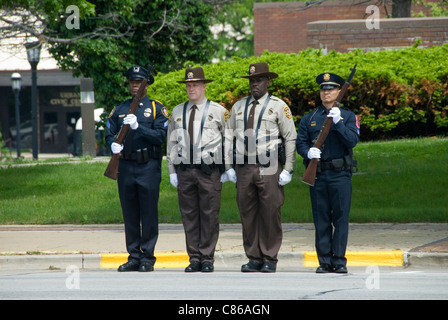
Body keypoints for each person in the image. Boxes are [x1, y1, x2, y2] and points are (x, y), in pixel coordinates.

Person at [224, 62, 297, 273]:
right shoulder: (238, 107)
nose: (254, 84)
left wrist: (288, 168)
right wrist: (228, 166)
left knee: (270, 211)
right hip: (244, 166)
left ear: (268, 82)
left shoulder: (278, 106)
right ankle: (253, 257)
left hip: (270, 164)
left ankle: (269, 257)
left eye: (258, 80)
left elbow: (290, 137)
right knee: (247, 212)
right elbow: (227, 138)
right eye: (251, 81)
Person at [105, 65, 169, 272]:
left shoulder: (157, 108)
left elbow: (161, 136)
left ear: (146, 85)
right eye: (132, 82)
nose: (135, 86)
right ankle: (133, 255)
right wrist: (111, 144)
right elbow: (108, 132)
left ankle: (147, 257)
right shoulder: (121, 108)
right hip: (125, 165)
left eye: (139, 82)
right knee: (130, 213)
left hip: (148, 166)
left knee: (148, 212)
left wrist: (138, 127)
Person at [166, 67, 229, 273]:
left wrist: (228, 168)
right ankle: (194, 257)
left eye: (194, 85)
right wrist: (172, 170)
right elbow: (171, 142)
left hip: (208, 171)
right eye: (188, 85)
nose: (191, 88)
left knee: (209, 214)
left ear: (204, 86)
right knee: (189, 214)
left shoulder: (218, 111)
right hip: (185, 171)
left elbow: (229, 142)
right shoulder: (177, 111)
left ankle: (207, 258)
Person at [296, 72, 360, 273]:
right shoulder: (310, 118)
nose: (326, 93)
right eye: (323, 89)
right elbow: (300, 143)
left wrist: (339, 122)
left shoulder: (348, 116)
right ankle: (324, 261)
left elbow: (352, 141)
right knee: (321, 218)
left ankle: (339, 260)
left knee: (340, 219)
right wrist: (308, 152)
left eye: (331, 89)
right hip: (319, 174)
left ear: (339, 91)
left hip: (340, 175)